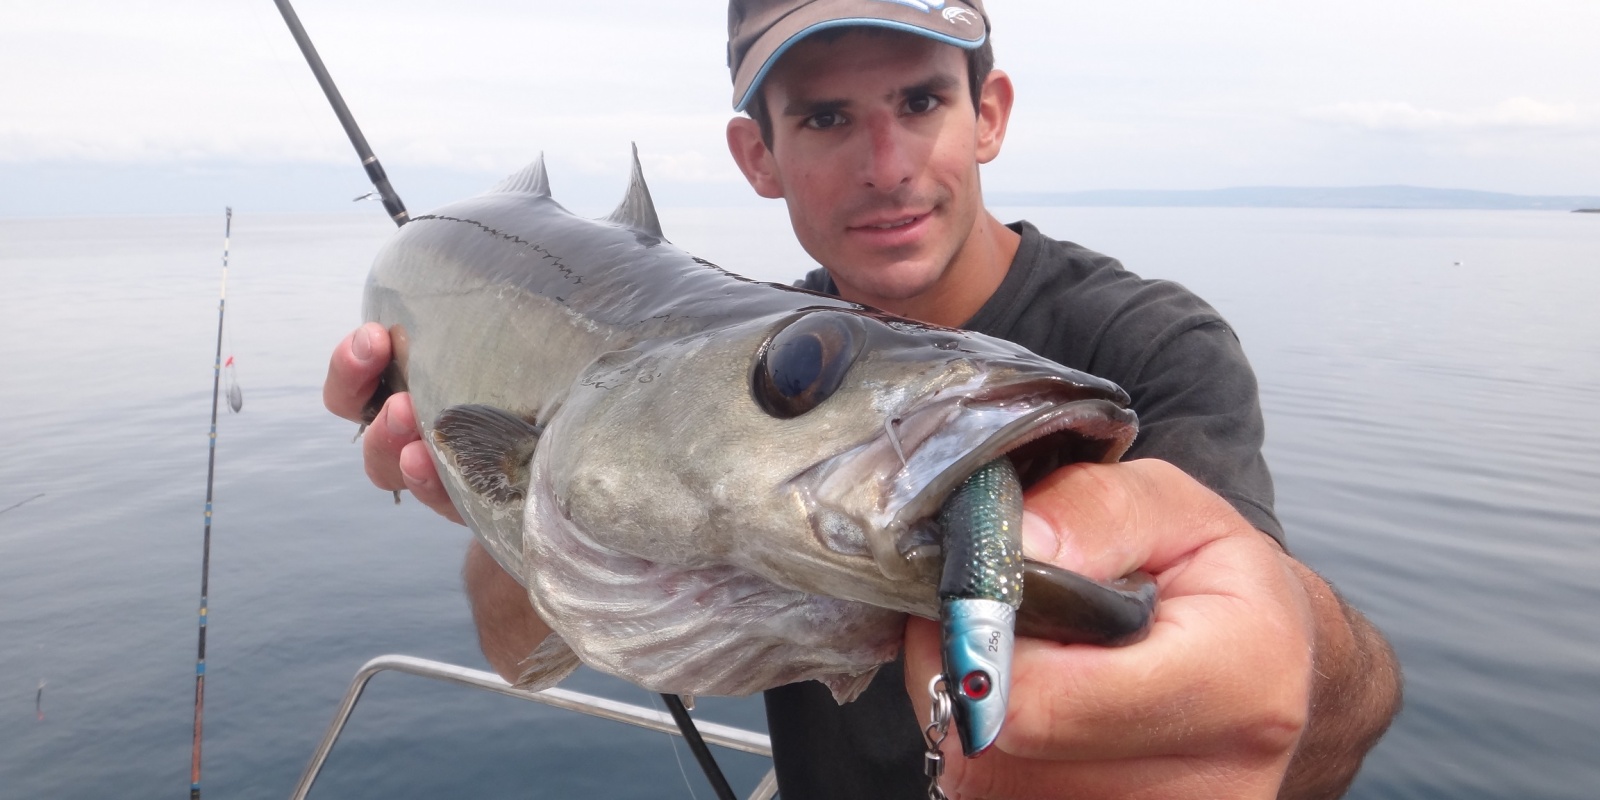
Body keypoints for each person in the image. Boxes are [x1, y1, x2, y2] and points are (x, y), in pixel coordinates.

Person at [324, 1, 1401, 797]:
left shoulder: (1151, 344)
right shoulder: (736, 340)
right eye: (829, 117)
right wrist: (491, 510)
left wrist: (1304, 661)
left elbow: (1315, 711)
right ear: (759, 155)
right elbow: (526, 652)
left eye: (922, 100)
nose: (886, 164)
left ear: (989, 113)